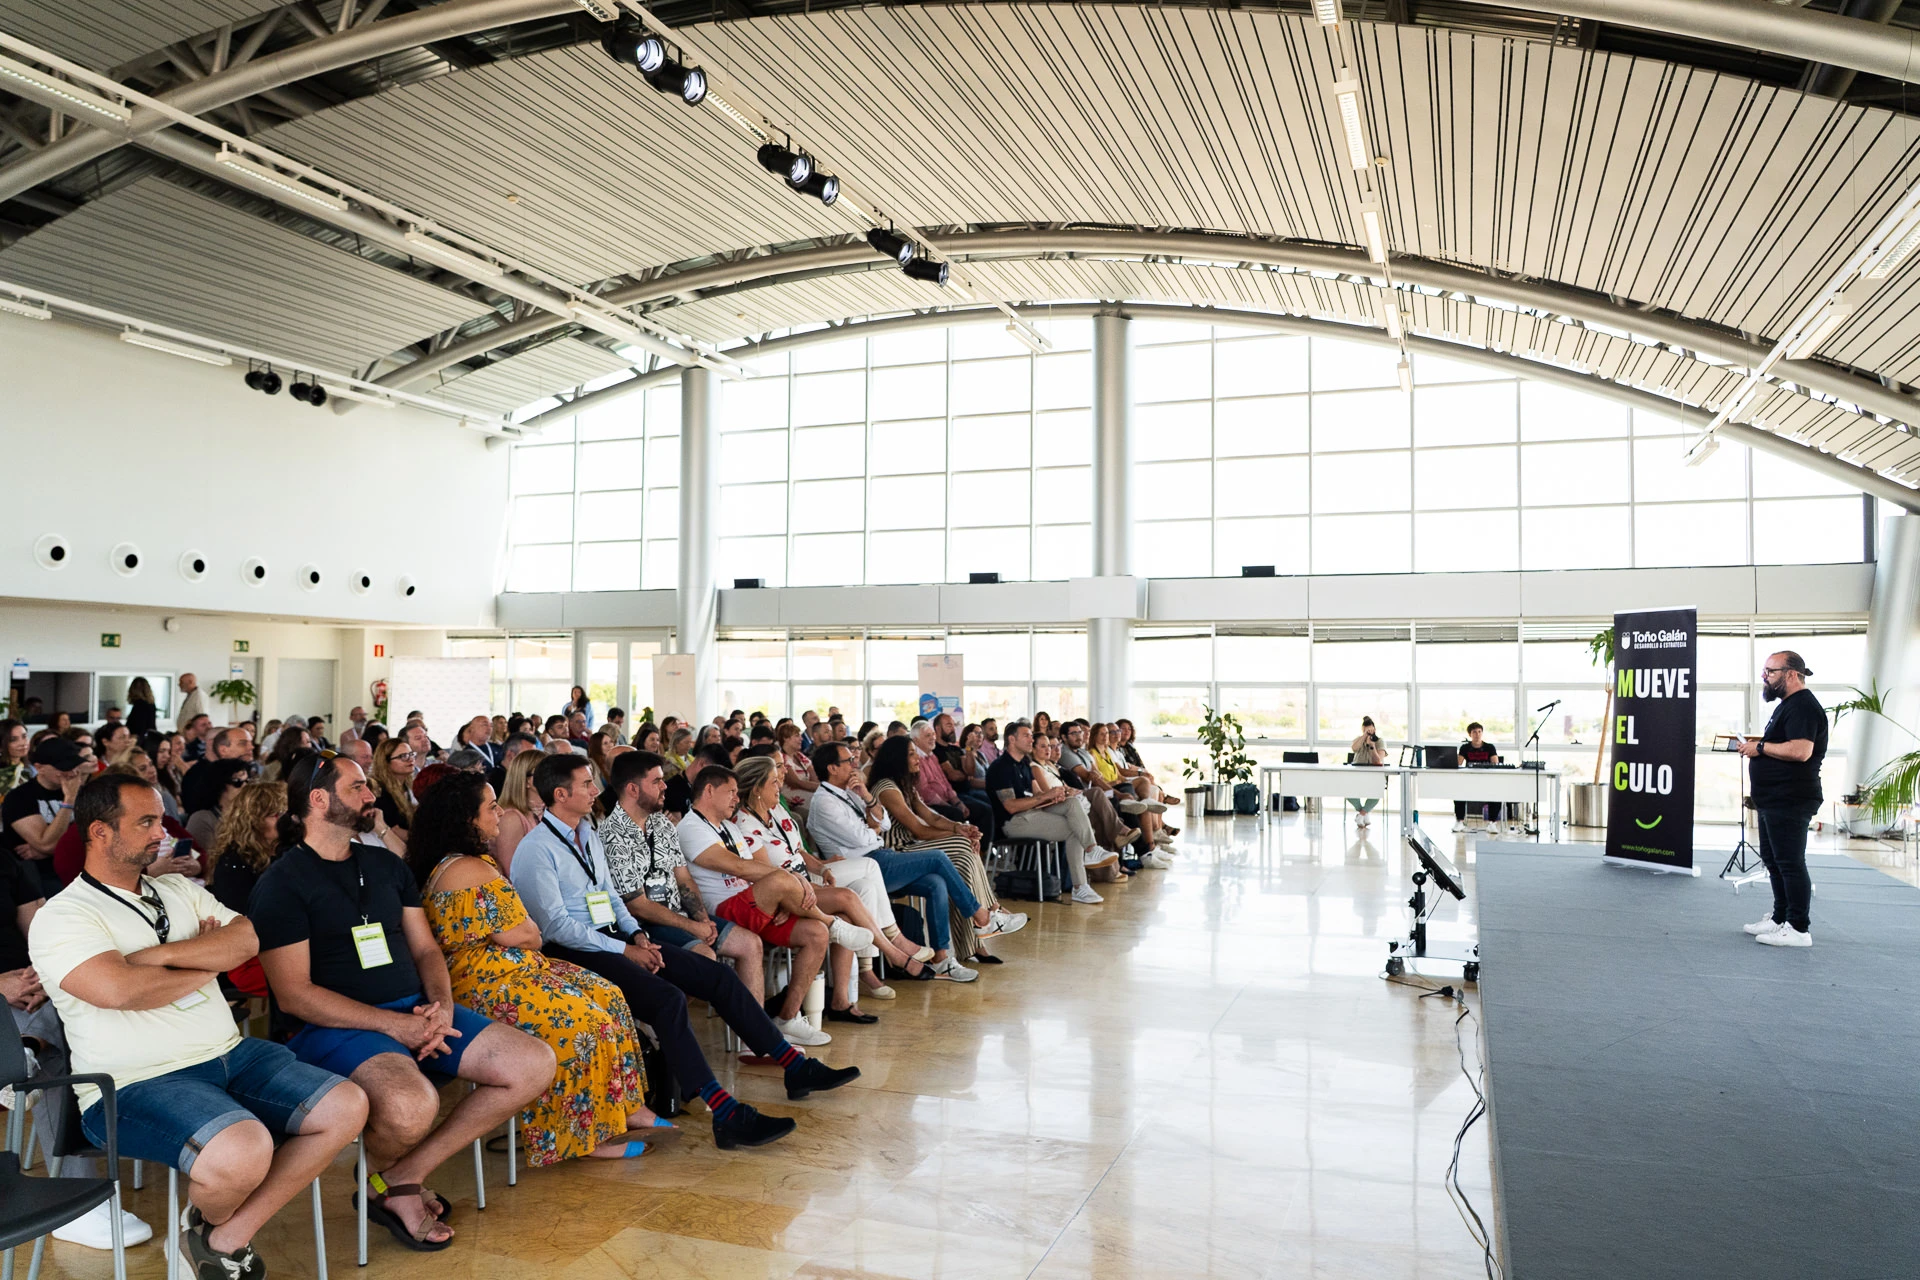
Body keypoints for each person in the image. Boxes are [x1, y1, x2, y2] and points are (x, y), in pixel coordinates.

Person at [31, 774, 368, 1279]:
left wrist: (158, 960)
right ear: (99, 832)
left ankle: (217, 1235)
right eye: (145, 822)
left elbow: (247, 939)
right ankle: (216, 1228)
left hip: (231, 1054)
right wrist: (209, 962)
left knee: (347, 1105)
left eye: (159, 819)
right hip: (134, 1082)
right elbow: (123, 992)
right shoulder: (63, 915)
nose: (160, 832)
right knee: (244, 1148)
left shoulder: (176, 888)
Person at [253, 754, 555, 1252]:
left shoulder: (384, 864)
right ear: (318, 800)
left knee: (532, 1062)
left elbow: (425, 949)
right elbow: (295, 995)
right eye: (357, 788)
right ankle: (392, 1183)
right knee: (413, 1106)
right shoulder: (282, 884)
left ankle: (400, 1178)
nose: (371, 796)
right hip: (333, 1028)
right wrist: (394, 1026)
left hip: (416, 1009)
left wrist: (440, 1007)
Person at [510, 753, 859, 1149]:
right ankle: (724, 1112)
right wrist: (623, 949)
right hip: (577, 952)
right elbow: (557, 926)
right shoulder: (537, 849)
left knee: (716, 976)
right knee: (668, 1000)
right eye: (586, 784)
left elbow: (609, 895)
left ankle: (794, 1066)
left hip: (616, 937)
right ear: (560, 794)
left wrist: (635, 935)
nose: (595, 790)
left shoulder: (586, 831)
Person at [406, 772, 664, 1164]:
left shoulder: (474, 862)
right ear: (466, 818)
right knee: (583, 1023)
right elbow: (524, 934)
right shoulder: (465, 869)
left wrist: (526, 932)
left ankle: (627, 1108)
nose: (500, 813)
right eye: (491, 807)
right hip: (485, 983)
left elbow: (524, 932)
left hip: (514, 970)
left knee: (608, 996)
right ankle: (582, 1136)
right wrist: (527, 932)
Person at [676, 767, 862, 1046]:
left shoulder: (728, 826)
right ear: (709, 791)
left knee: (815, 934)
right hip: (725, 909)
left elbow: (760, 869)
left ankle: (787, 1018)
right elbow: (738, 866)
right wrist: (783, 884)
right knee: (782, 881)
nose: (736, 799)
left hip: (754, 902)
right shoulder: (691, 827)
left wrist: (785, 896)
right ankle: (832, 922)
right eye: (731, 792)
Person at [731, 754, 928, 1013]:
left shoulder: (777, 810)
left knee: (863, 891)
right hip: (786, 890)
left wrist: (822, 867)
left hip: (806, 878)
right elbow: (768, 875)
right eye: (773, 781)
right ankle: (893, 951)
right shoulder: (745, 825)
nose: (780, 785)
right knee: (850, 893)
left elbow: (799, 851)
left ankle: (843, 998)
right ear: (756, 789)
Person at [806, 740, 987, 981]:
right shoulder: (824, 802)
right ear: (832, 768)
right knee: (937, 857)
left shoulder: (851, 791)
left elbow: (885, 824)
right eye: (848, 761)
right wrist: (873, 828)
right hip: (863, 865)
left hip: (880, 857)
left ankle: (942, 958)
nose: (854, 764)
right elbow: (863, 838)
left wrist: (869, 798)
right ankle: (979, 914)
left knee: (936, 883)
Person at [598, 752, 762, 990]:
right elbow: (637, 905)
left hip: (679, 915)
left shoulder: (661, 823)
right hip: (644, 926)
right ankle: (672, 1020)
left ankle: (751, 1027)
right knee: (704, 958)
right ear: (633, 790)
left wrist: (702, 919)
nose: (665, 786)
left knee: (750, 944)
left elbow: (683, 878)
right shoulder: (613, 835)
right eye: (656, 781)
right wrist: (692, 927)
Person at [867, 737, 1024, 964]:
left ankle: (976, 937)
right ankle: (990, 913)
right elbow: (919, 829)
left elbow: (930, 816)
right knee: (962, 845)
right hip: (897, 851)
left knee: (964, 856)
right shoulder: (886, 788)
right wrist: (958, 835)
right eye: (911, 754)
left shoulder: (905, 785)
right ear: (896, 759)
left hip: (911, 845)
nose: (917, 758)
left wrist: (959, 827)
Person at [1740, 651, 1828, 948]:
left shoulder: (1803, 706)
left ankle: (1799, 928)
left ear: (1791, 674)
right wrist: (1759, 746)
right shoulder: (1788, 706)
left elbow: (1801, 751)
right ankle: (1780, 918)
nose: (1765, 676)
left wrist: (1761, 748)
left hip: (1790, 798)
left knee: (1789, 862)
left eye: (1770, 671)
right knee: (1774, 860)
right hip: (1773, 798)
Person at [989, 721, 1106, 904]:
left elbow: (1038, 794)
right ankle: (1081, 880)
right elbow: (1011, 806)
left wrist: (1057, 795)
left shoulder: (1024, 764)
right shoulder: (1001, 767)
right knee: (1074, 828)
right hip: (1014, 822)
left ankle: (1087, 864)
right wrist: (1045, 797)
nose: (1030, 739)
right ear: (1012, 740)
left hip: (1033, 814)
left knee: (1072, 804)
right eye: (1026, 736)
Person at [5, 736, 89, 899]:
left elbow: (98, 835)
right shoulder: (20, 798)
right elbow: (47, 844)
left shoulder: (85, 792)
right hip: (41, 876)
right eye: (63, 767)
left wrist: (51, 849)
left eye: (74, 766)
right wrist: (69, 801)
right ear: (39, 768)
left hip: (81, 868)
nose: (71, 772)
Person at [209, 781, 288, 915]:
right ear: (254, 820)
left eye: (285, 813)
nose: (285, 820)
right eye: (276, 814)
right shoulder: (234, 862)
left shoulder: (287, 850)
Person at [371, 737, 417, 851]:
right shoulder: (380, 791)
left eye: (411, 754)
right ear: (385, 762)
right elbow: (394, 830)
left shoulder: (408, 786)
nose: (410, 759)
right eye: (403, 756)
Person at [1453, 723, 1501, 832]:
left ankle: (1492, 823)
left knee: (1496, 793)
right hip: (1470, 779)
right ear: (1470, 734)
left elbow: (1496, 764)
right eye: (1474, 732)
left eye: (1479, 732)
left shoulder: (1490, 747)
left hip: (1486, 780)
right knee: (1458, 792)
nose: (1477, 734)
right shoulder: (1465, 748)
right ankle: (1459, 821)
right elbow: (1458, 764)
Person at [1348, 716, 1388, 828]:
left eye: (1370, 731)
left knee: (1377, 793)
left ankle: (1361, 814)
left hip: (1374, 776)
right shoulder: (1359, 740)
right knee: (1347, 791)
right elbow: (1354, 748)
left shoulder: (1380, 741)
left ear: (1374, 730)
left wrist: (1372, 746)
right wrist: (1364, 736)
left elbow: (1378, 760)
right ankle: (1364, 813)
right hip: (1357, 775)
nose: (1369, 733)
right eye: (1366, 731)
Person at [0, 718, 30, 799]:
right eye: (13, 740)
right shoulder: (3, 774)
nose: (23, 743)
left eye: (24, 736)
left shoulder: (30, 769)